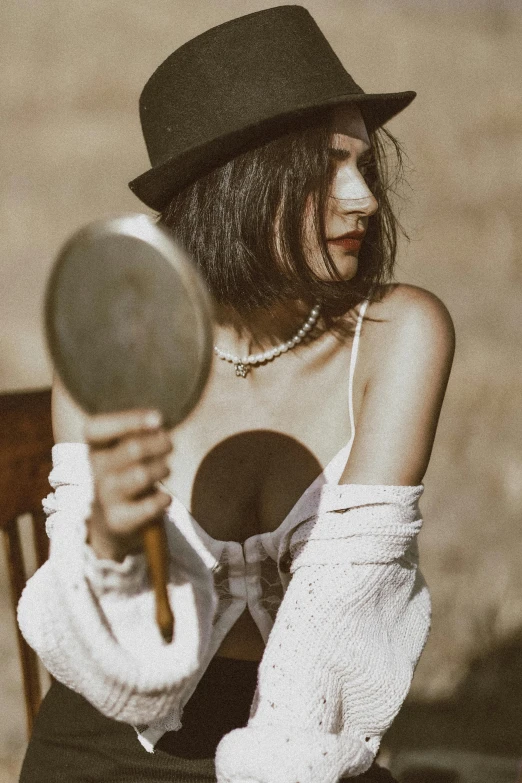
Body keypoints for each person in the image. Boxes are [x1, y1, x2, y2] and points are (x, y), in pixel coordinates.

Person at [17, 6, 455, 783]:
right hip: (108, 748)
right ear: (238, 187)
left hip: (305, 749)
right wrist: (114, 547)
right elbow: (112, 663)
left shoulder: (399, 334)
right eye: (326, 167)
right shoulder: (117, 348)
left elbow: (335, 639)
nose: (364, 200)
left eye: (365, 165)